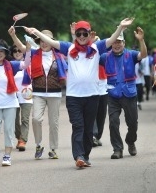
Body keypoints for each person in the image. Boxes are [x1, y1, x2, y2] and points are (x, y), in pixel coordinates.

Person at [24, 18, 134, 168]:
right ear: (75, 35)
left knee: (89, 129)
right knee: (78, 126)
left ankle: (85, 155)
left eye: (84, 33)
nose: (82, 36)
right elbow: (50, 41)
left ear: (89, 34)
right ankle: (78, 156)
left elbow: (112, 39)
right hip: (74, 97)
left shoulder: (97, 47)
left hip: (92, 96)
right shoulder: (68, 48)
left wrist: (120, 27)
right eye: (79, 33)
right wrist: (36, 32)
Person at [8, 28, 67, 159]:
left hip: (55, 93)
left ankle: (53, 149)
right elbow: (22, 48)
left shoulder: (59, 55)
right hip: (39, 92)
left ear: (51, 42)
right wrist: (13, 36)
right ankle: (39, 145)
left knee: (54, 122)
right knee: (36, 119)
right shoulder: (34, 53)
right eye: (41, 41)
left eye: (46, 41)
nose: (44, 43)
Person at [100, 28, 147, 159]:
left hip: (129, 93)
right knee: (113, 122)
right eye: (114, 42)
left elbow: (143, 54)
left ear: (124, 43)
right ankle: (117, 149)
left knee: (132, 123)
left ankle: (130, 141)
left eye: (119, 42)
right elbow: (90, 57)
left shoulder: (131, 54)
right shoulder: (105, 57)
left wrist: (141, 40)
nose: (116, 44)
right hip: (112, 94)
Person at [9, 44, 33, 152]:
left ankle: (23, 140)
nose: (17, 52)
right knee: (14, 119)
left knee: (25, 118)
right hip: (13, 95)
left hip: (27, 94)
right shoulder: (8, 66)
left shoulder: (29, 63)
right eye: (15, 51)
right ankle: (19, 137)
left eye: (19, 50)